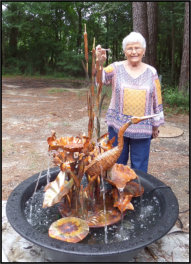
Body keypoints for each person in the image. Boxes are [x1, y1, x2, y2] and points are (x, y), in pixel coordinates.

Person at [95, 31, 164, 173]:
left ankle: (135, 194)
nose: (134, 52)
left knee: (139, 169)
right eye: (129, 48)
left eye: (137, 48)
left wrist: (156, 125)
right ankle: (115, 194)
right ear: (124, 51)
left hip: (143, 130)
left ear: (143, 51)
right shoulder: (115, 68)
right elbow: (99, 81)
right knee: (115, 166)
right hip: (117, 127)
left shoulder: (151, 72)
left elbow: (157, 99)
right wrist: (99, 63)